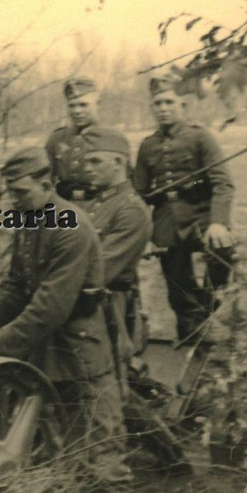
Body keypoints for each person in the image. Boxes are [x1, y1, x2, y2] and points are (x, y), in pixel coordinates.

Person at [0, 147, 125, 481]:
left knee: (101, 457)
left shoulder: (71, 229)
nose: (15, 200)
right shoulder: (31, 222)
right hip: (49, 355)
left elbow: (48, 309)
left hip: (81, 357)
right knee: (61, 454)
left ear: (46, 184)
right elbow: (16, 287)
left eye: (21, 192)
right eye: (11, 193)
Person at [133, 77, 235, 343]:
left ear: (183, 105)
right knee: (178, 291)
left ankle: (212, 303)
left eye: (169, 102)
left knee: (221, 252)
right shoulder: (147, 146)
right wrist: (142, 234)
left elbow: (223, 183)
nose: (163, 108)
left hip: (201, 213)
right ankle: (190, 339)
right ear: (152, 107)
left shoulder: (200, 137)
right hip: (167, 219)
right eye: (158, 103)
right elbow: (139, 194)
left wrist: (219, 221)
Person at [82, 127, 153, 372]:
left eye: (94, 161)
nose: (87, 168)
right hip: (92, 305)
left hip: (112, 311)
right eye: (86, 162)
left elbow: (100, 270)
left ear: (118, 162)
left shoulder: (130, 209)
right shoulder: (97, 203)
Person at [45, 77, 129, 202]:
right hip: (65, 209)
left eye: (83, 105)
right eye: (72, 106)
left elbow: (124, 184)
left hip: (100, 206)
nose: (77, 111)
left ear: (98, 104)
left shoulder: (112, 138)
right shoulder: (56, 139)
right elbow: (46, 180)